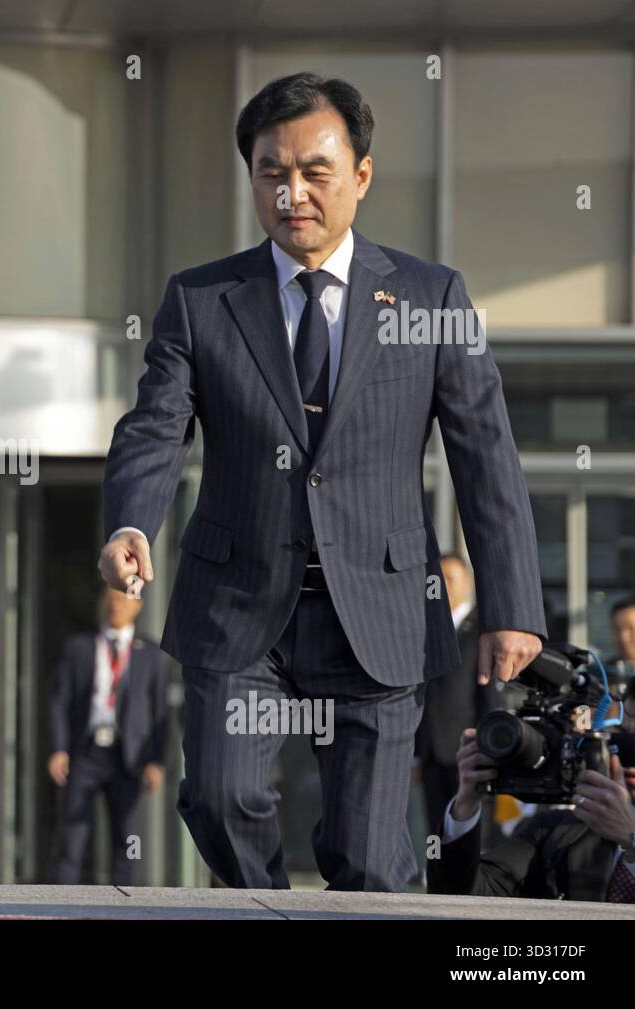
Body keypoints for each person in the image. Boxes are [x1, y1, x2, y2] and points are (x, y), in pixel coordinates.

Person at [99, 72, 545, 891]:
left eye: (315, 171)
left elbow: (486, 453)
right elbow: (155, 426)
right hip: (239, 605)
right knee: (221, 793)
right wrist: (130, 522)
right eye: (272, 171)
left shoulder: (430, 296)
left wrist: (512, 605)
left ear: (362, 176)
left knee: (369, 857)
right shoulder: (202, 301)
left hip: (378, 610)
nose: (292, 192)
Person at [427, 709, 635, 902]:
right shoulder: (558, 834)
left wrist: (631, 837)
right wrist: (465, 804)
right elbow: (452, 898)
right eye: (622, 738)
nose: (629, 757)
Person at [47, 587, 170, 885]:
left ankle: (125, 906)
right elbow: (58, 701)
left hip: (127, 756)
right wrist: (58, 748)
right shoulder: (78, 647)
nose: (115, 603)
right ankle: (61, 907)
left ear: (138, 605)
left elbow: (160, 712)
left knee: (127, 839)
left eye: (123, 597)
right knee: (72, 835)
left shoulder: (151, 654)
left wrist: (156, 761)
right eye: (110, 597)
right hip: (85, 753)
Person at [414, 554, 500, 840]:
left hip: (470, 750)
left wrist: (488, 746)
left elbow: (488, 696)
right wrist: (415, 754)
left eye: (450, 579)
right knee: (436, 829)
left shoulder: (483, 630)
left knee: (472, 829)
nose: (443, 587)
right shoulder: (423, 631)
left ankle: (469, 883)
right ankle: (438, 879)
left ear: (468, 582)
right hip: (430, 751)